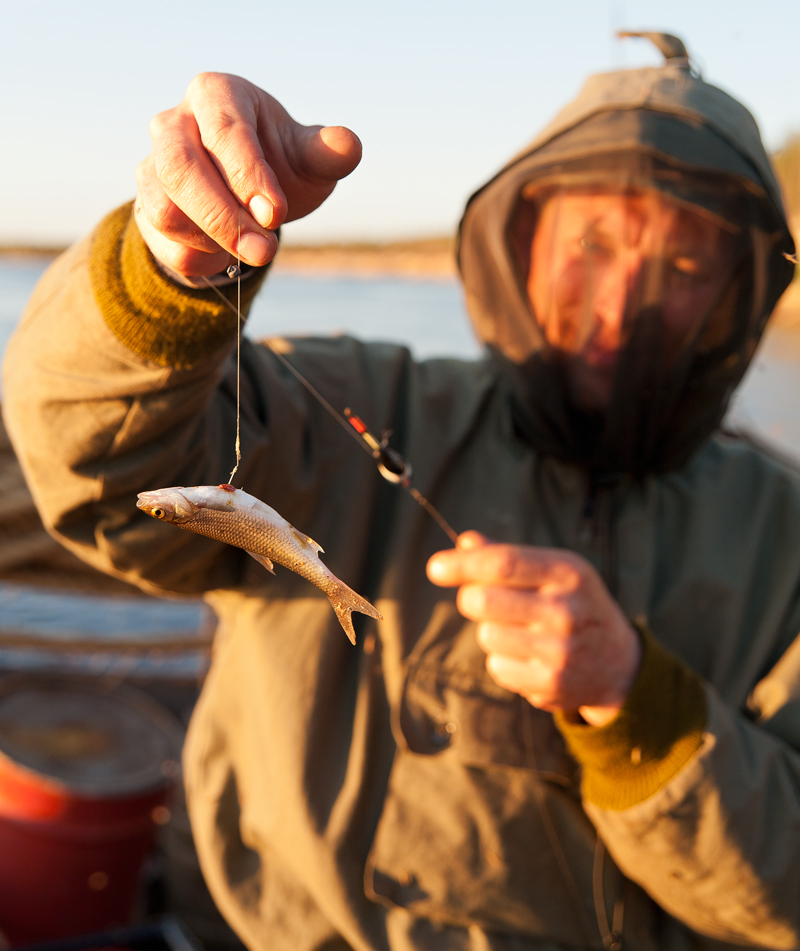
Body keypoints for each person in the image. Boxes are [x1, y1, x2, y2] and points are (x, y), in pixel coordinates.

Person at [4, 31, 800, 951]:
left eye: (686, 265)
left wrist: (636, 705)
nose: (623, 300)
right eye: (590, 243)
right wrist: (167, 271)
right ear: (521, 246)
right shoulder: (362, 403)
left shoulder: (782, 535)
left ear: (741, 295)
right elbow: (95, 469)